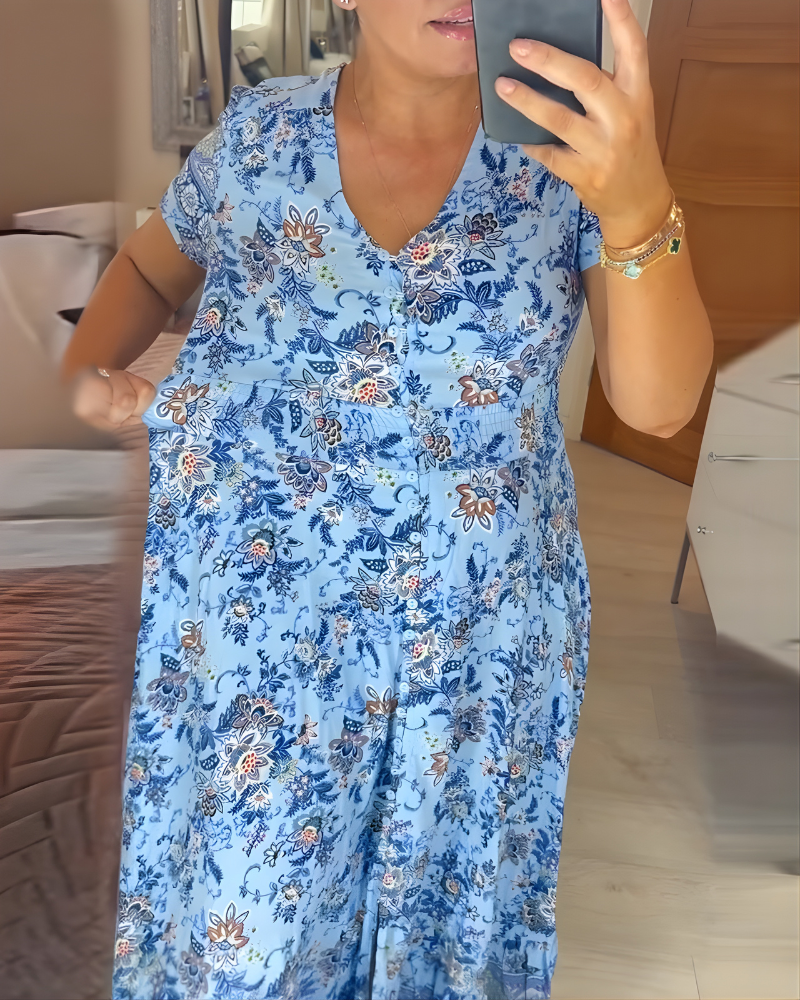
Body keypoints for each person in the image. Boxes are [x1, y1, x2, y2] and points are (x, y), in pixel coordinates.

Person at [62, 0, 712, 996]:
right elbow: (151, 270)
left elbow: (657, 408)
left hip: (475, 639)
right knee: (251, 921)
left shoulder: (572, 157)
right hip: (264, 629)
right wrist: (85, 380)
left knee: (439, 919)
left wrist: (637, 203)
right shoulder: (258, 135)